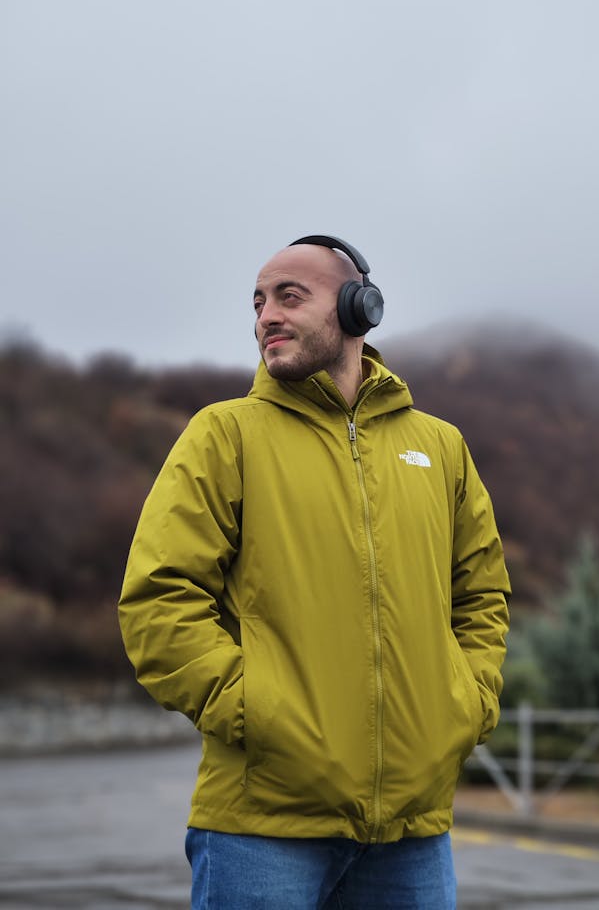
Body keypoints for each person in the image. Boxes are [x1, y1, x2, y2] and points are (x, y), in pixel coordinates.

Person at [118, 235, 511, 910]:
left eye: (289, 296)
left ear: (360, 308)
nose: (266, 315)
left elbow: (481, 595)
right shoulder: (224, 435)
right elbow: (159, 601)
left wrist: (466, 704)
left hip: (413, 832)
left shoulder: (440, 447)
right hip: (262, 826)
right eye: (258, 301)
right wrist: (253, 709)